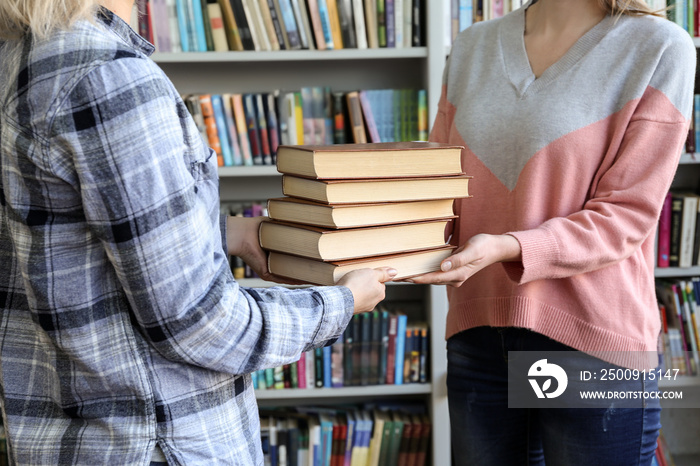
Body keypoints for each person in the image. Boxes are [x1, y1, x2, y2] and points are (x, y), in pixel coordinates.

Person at [0, 0, 396, 464]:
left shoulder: (23, 58)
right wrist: (340, 305)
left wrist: (228, 232)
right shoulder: (108, 78)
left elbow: (55, 240)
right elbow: (196, 321)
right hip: (155, 443)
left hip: (73, 438)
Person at [409, 0, 696, 464]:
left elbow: (627, 214)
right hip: (479, 333)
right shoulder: (471, 46)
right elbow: (437, 185)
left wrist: (513, 246)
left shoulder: (658, 47)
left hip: (594, 340)